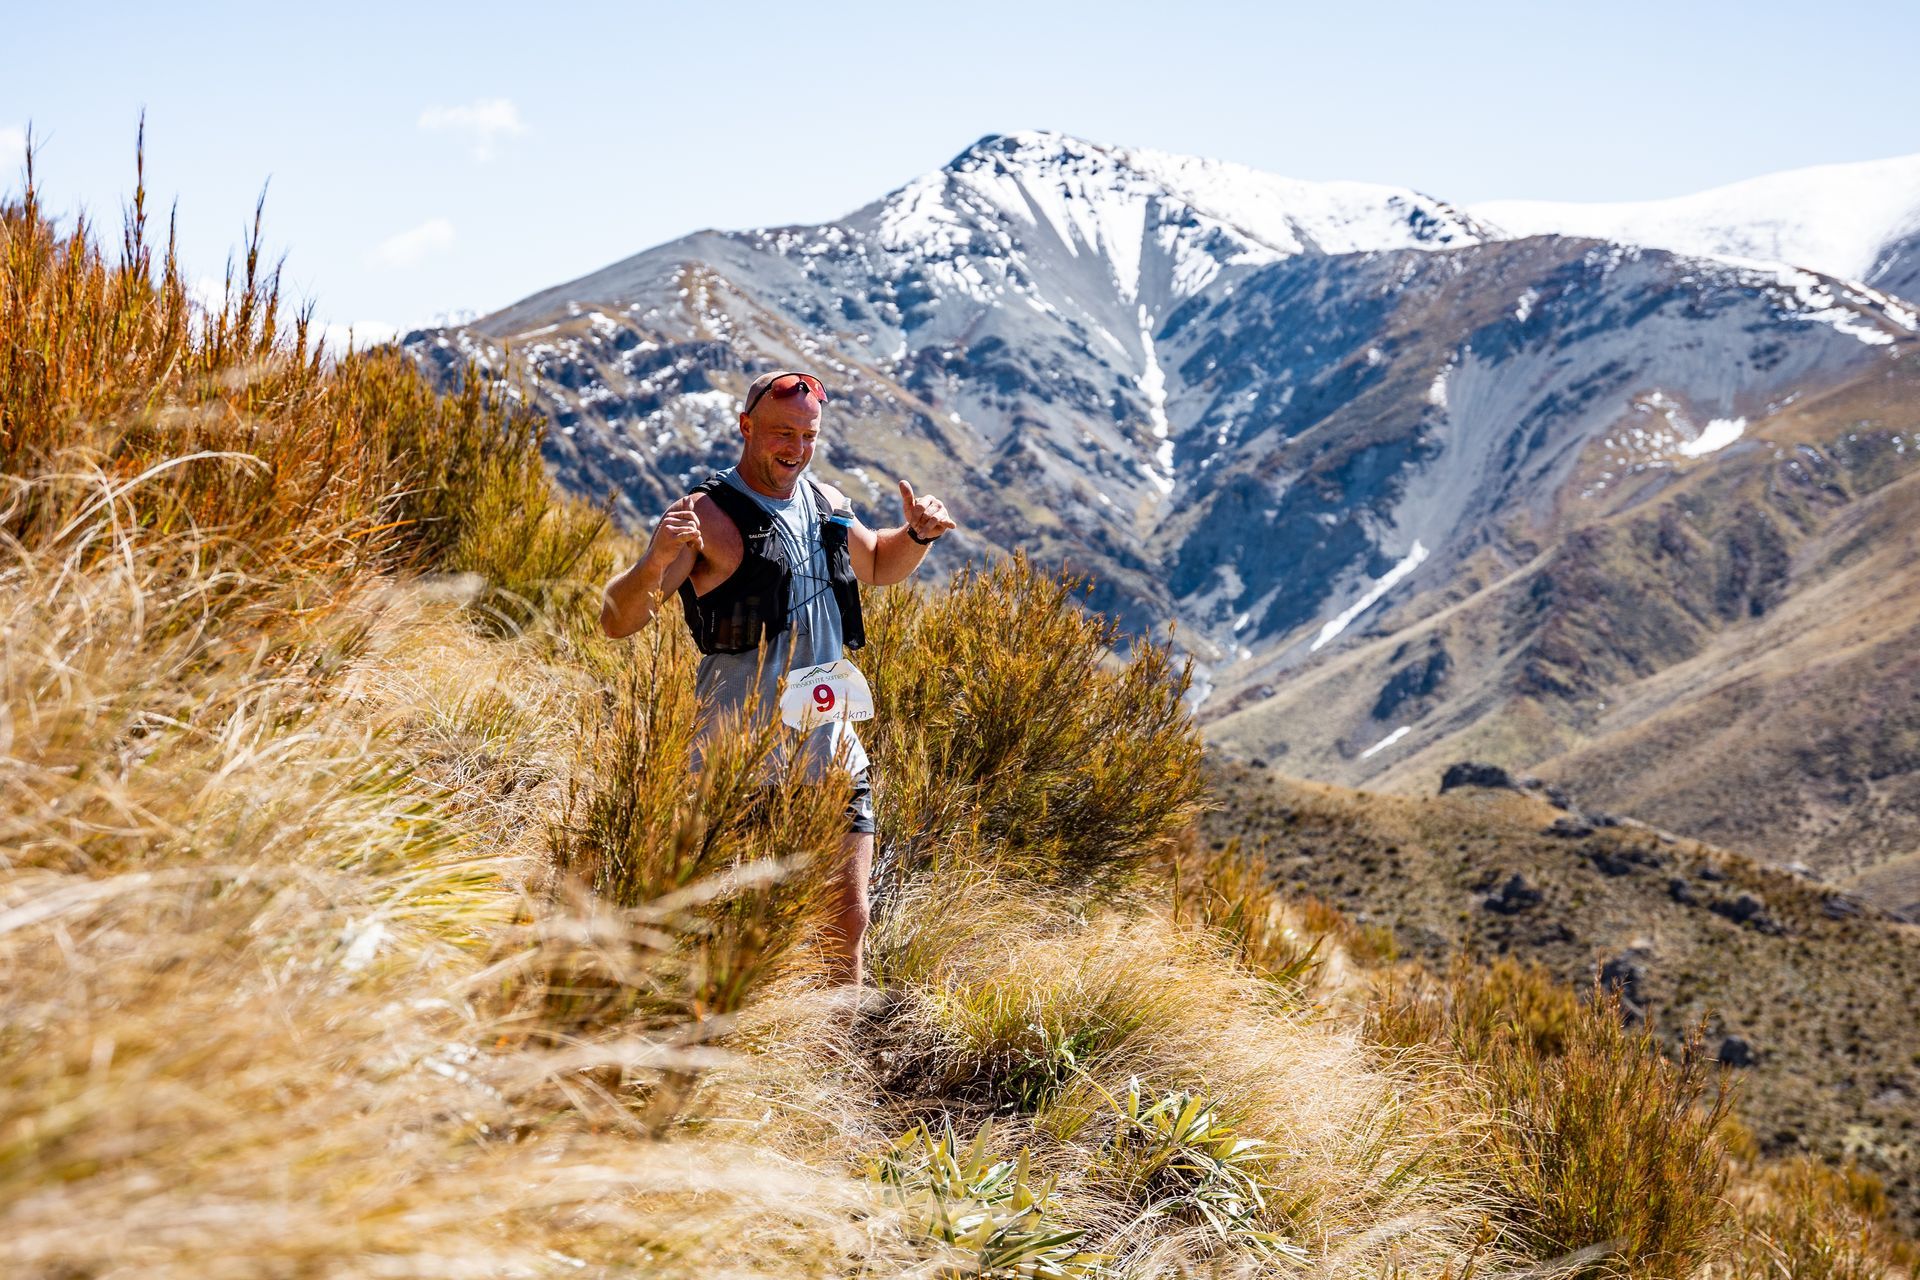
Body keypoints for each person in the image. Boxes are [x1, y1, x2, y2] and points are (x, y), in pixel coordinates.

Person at [599, 369, 957, 986]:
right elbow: (616, 620)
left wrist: (918, 534)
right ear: (746, 427)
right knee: (732, 925)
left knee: (847, 917)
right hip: (736, 758)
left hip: (831, 750)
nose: (795, 449)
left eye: (808, 436)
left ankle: (834, 1056)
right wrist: (655, 560)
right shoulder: (703, 517)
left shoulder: (827, 504)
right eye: (782, 433)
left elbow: (876, 564)